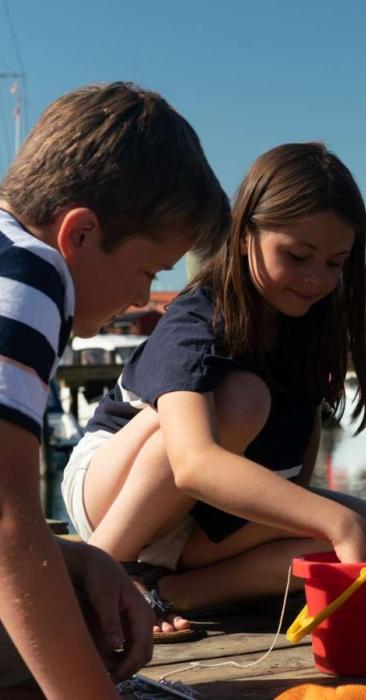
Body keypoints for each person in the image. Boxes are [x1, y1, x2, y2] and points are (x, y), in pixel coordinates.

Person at [61, 142, 366, 639]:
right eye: (297, 255)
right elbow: (192, 462)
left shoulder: (309, 328)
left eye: (335, 263)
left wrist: (341, 526)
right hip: (115, 494)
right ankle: (104, 570)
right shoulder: (197, 317)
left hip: (200, 519)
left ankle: (170, 593)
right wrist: (336, 524)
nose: (316, 278)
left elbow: (297, 467)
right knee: (242, 400)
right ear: (244, 235)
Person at [0, 82, 230, 699]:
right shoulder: (29, 274)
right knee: (72, 617)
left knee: (70, 583)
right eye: (146, 271)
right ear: (79, 234)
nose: (138, 297)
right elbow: (4, 520)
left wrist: (82, 557)